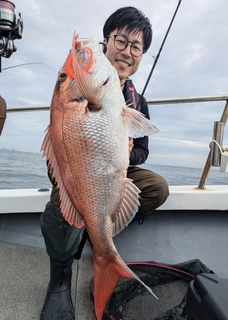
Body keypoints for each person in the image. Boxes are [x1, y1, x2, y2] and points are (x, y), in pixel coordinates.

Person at [40, 6, 169, 320]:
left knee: (157, 187)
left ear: (142, 55)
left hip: (112, 169)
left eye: (136, 47)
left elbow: (143, 151)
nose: (127, 52)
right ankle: (60, 277)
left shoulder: (137, 99)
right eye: (121, 41)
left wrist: (126, 151)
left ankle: (96, 235)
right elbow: (59, 141)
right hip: (76, 168)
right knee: (62, 201)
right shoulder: (82, 88)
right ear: (107, 41)